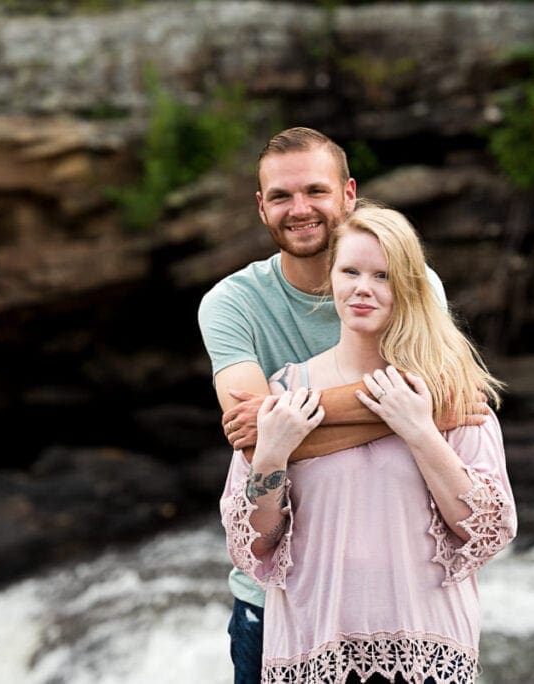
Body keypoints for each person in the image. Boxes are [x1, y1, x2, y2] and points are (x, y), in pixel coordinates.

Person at [198, 128, 490, 683]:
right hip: (277, 602)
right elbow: (256, 436)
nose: (299, 209)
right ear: (261, 207)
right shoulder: (231, 303)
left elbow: (276, 427)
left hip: (409, 609)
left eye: (316, 191)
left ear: (349, 195)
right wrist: (410, 413)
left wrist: (290, 421)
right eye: (281, 196)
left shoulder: (411, 283)